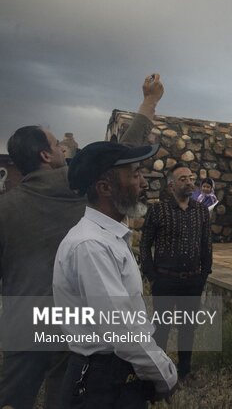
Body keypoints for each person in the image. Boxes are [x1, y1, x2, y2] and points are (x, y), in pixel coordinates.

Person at [0, 73, 163, 409]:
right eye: (57, 144)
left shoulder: (5, 207)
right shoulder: (75, 183)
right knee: (64, 397)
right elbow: (123, 151)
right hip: (73, 325)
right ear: (46, 157)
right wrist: (149, 102)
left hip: (20, 326)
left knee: (14, 400)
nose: (63, 148)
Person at [53, 140, 178, 407]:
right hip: (100, 382)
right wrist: (165, 375)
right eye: (135, 174)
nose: (144, 183)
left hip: (115, 375)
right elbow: (121, 330)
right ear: (105, 188)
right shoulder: (91, 245)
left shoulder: (109, 237)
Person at [140, 162, 212, 381]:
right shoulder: (158, 210)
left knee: (187, 328)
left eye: (191, 178)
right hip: (165, 280)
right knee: (161, 329)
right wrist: (152, 276)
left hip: (192, 280)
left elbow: (206, 244)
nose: (190, 182)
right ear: (171, 186)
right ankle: (159, 374)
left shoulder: (200, 211)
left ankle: (184, 372)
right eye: (183, 179)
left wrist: (203, 275)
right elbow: (144, 245)